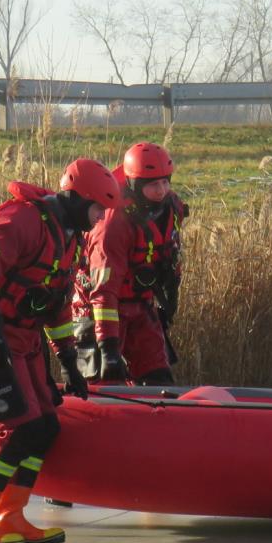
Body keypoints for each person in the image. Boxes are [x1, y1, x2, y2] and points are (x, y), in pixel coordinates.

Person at [0, 158, 120, 543]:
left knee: (45, 429)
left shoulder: (70, 236)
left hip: (22, 340)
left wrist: (69, 359)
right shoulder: (21, 220)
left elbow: (55, 305)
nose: (99, 219)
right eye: (96, 209)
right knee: (16, 429)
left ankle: (10, 514)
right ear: (75, 198)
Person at [73, 141, 187, 385]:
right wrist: (108, 348)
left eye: (165, 182)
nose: (161, 190)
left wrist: (170, 299)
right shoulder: (112, 223)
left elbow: (172, 254)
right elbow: (103, 291)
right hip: (98, 311)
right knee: (104, 385)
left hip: (140, 305)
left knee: (159, 379)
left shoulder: (171, 207)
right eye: (153, 185)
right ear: (135, 185)